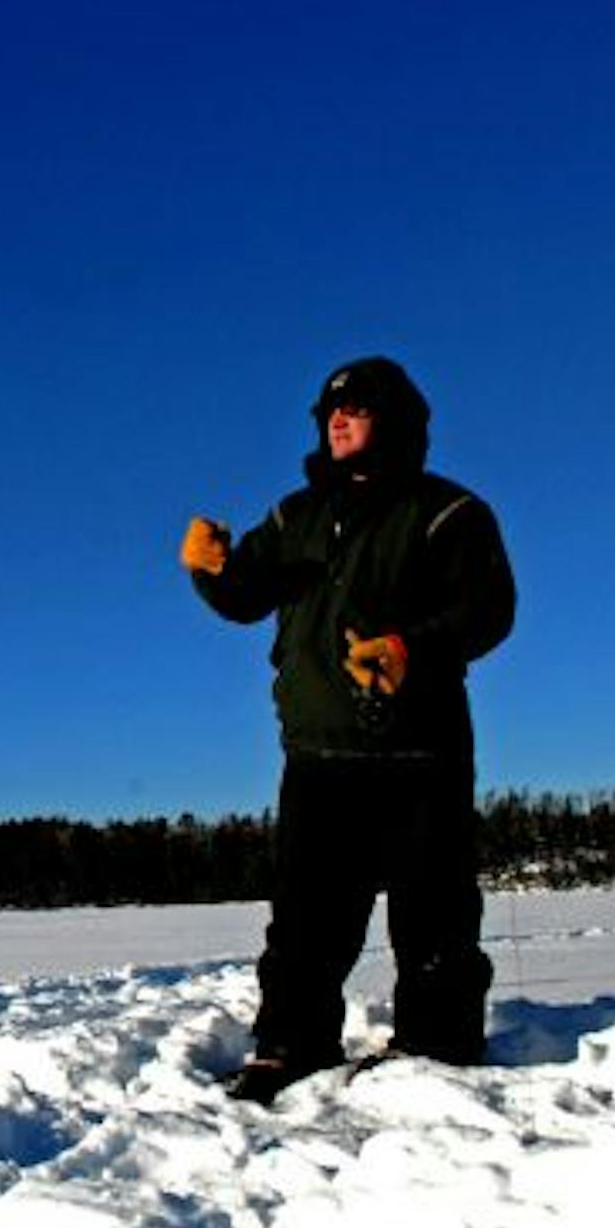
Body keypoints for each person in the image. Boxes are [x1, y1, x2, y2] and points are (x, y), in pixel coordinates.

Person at [181, 356, 515, 1104]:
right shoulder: (295, 517)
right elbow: (245, 594)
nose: (336, 420)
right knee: (304, 920)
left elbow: (488, 609)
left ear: (396, 420)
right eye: (329, 411)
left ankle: (438, 1043)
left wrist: (411, 649)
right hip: (318, 756)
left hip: (419, 748)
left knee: (432, 911)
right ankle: (290, 1043)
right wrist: (211, 569)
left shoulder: (448, 512)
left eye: (356, 408)